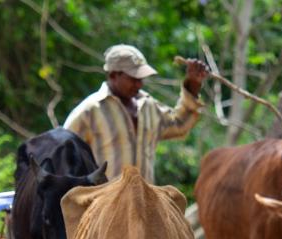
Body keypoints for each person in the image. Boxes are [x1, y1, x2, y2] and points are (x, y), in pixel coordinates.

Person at [64, 44, 209, 184]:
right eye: (133, 79)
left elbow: (179, 125)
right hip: (104, 205)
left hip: (144, 204)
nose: (139, 84)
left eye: (141, 79)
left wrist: (193, 85)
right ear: (113, 75)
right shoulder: (90, 111)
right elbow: (64, 155)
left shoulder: (149, 107)